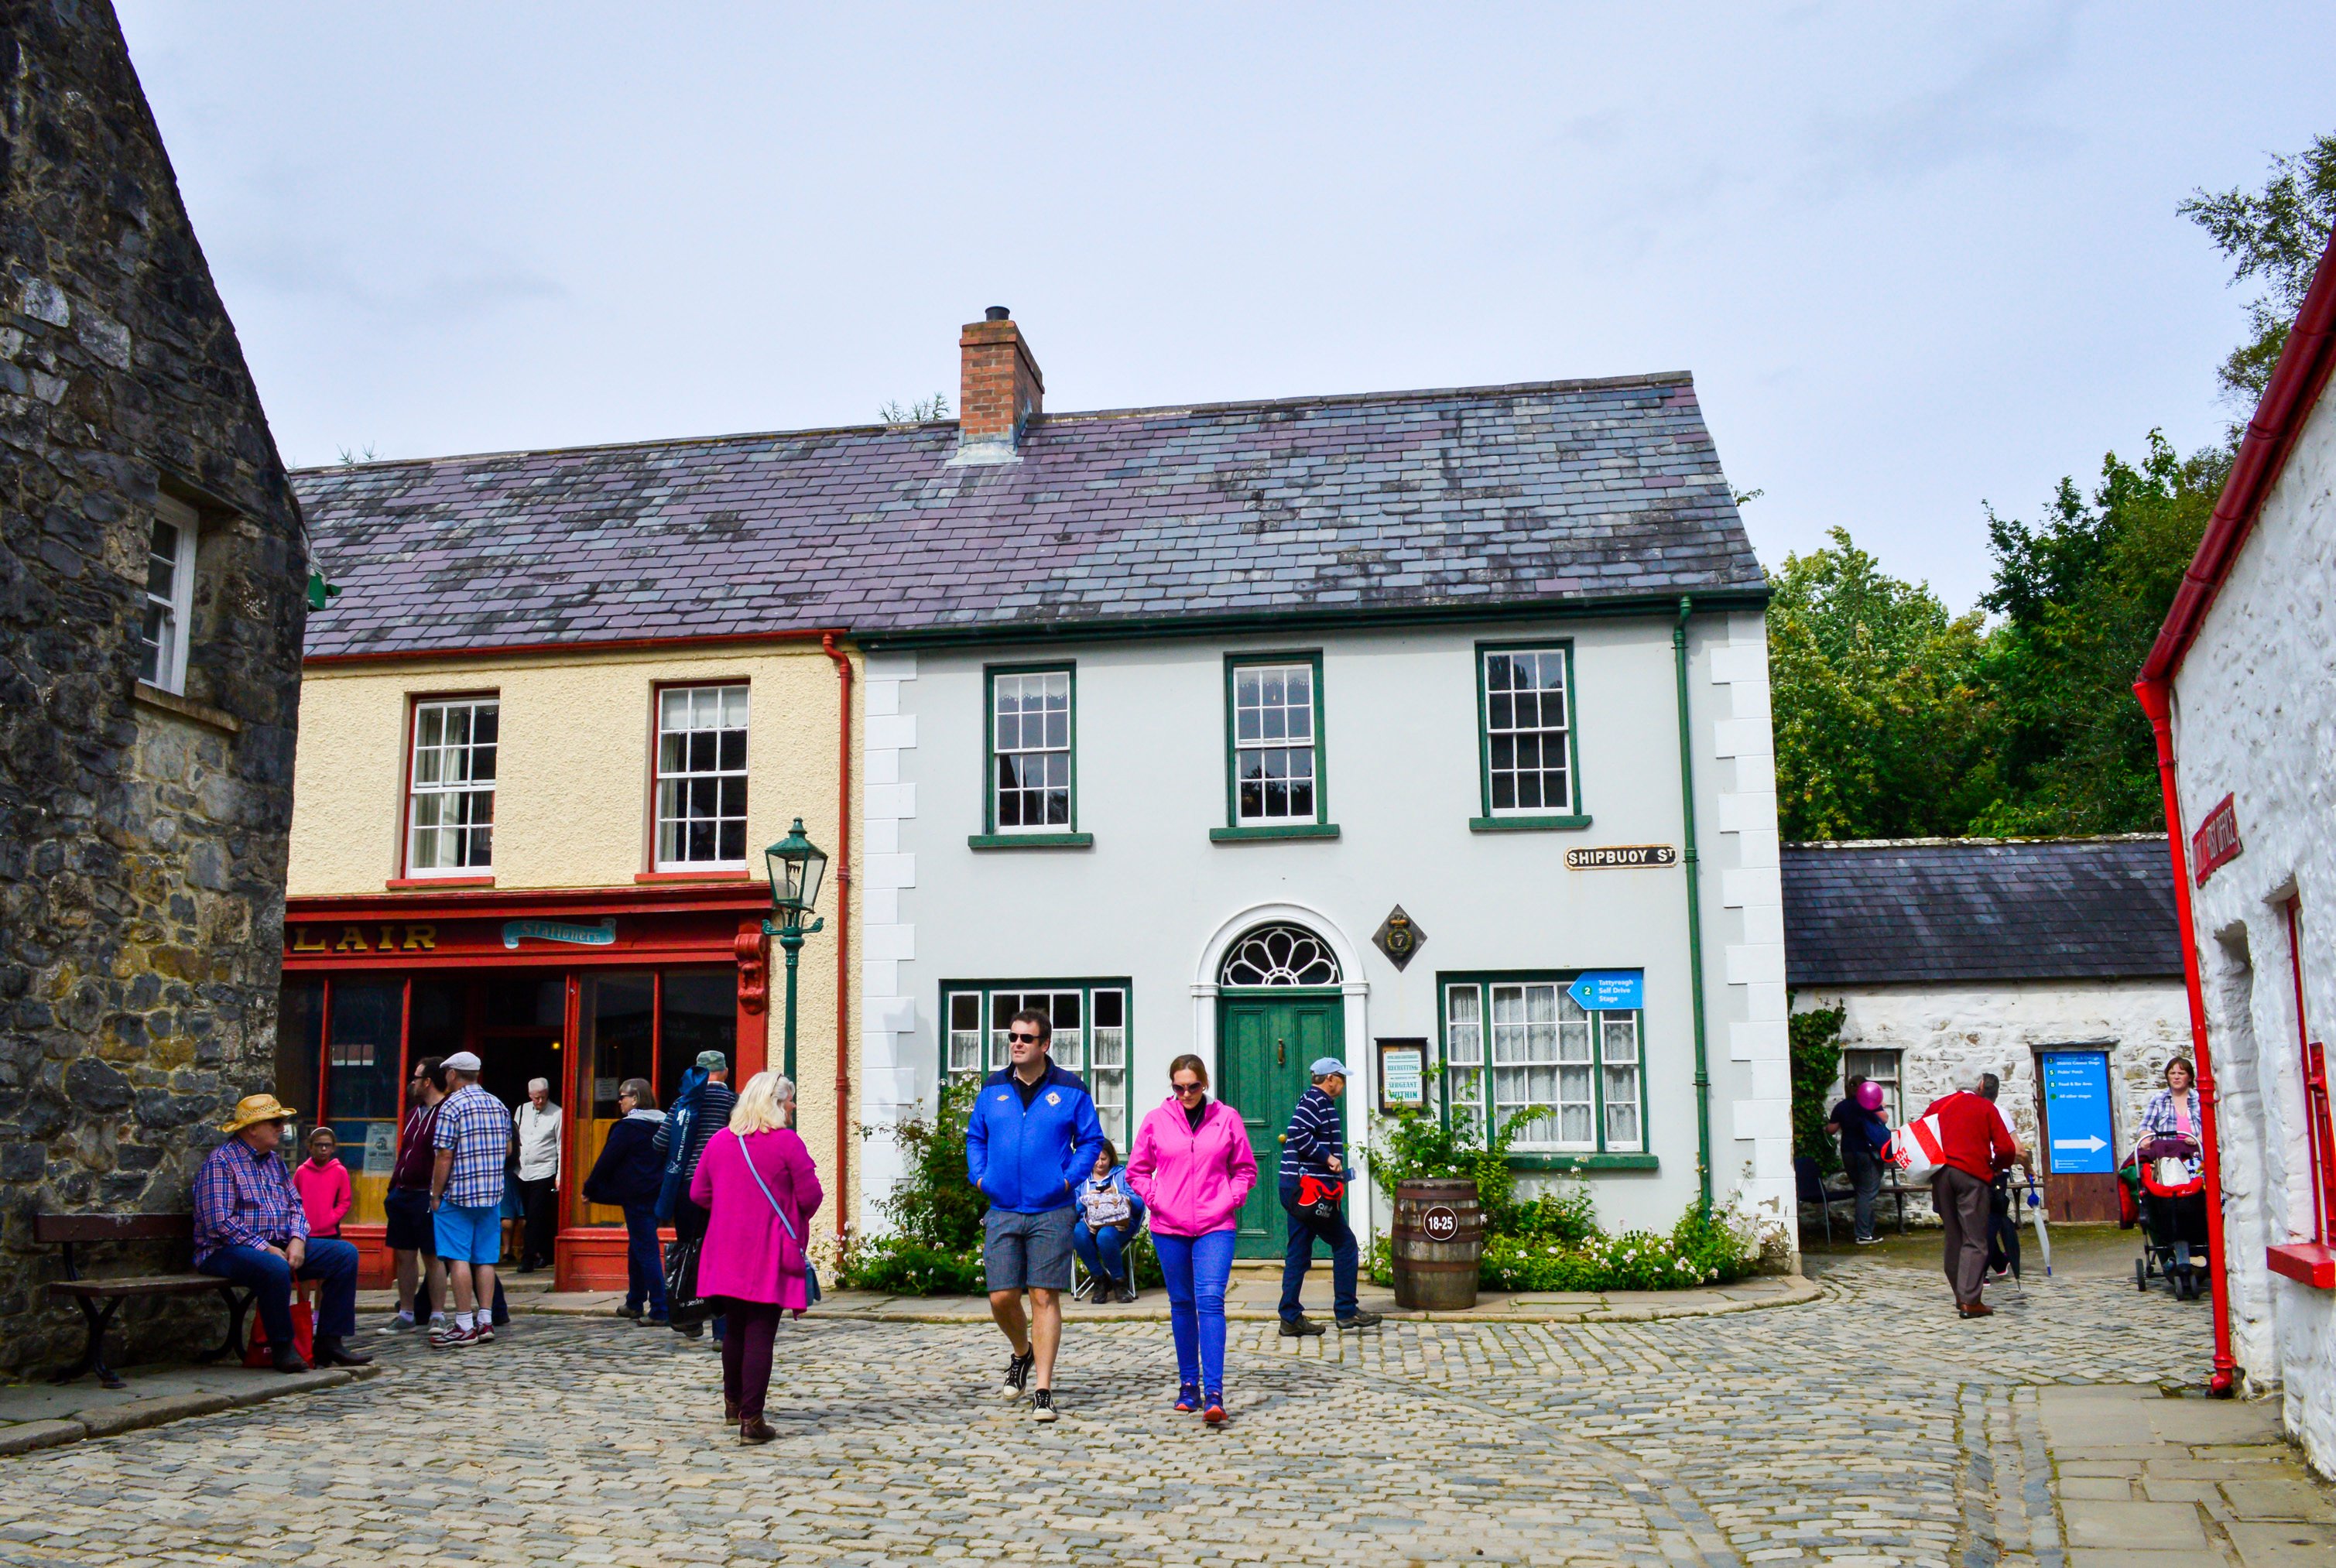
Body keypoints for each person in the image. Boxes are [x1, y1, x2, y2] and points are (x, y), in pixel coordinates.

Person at [966, 1007, 1105, 1423]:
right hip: (1003, 1207)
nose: (1017, 1044)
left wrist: (1067, 1182)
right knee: (1001, 1297)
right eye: (1012, 1037)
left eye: (1026, 1038)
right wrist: (979, 1178)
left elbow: (1092, 1141)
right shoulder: (993, 1088)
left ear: (1045, 1044)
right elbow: (976, 1136)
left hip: (1051, 1210)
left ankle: (1043, 1388)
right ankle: (1021, 1353)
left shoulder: (1071, 1088)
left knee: (1044, 1296)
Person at [193, 1094, 371, 1372]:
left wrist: (298, 1240)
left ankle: (329, 1341)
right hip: (223, 1250)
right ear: (253, 1128)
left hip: (277, 1244)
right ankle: (282, 1347)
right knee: (274, 1267)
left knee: (344, 1255)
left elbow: (295, 1205)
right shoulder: (222, 1163)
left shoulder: (273, 1161)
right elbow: (218, 1222)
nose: (281, 1128)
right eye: (276, 1122)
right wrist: (263, 1246)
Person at [690, 1071, 823, 1444]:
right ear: (777, 1104)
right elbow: (811, 1196)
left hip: (726, 1248)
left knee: (735, 1328)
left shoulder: (719, 1142)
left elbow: (699, 1193)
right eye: (790, 1100)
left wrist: (733, 1209)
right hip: (770, 1249)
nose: (794, 1106)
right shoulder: (787, 1144)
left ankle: (733, 1405)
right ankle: (753, 1419)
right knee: (761, 1331)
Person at [1126, 1054, 1255, 1425]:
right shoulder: (1156, 1120)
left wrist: (1231, 1197)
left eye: (1193, 1086)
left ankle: (1214, 1393)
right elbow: (1137, 1172)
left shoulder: (1227, 1118)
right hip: (1169, 1226)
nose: (1186, 1093)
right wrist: (1155, 1198)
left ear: (1205, 1084)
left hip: (1216, 1224)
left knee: (1211, 1300)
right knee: (1182, 1303)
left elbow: (1245, 1168)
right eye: (1179, 1087)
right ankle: (1188, 1386)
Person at [1278, 1058, 1382, 1336]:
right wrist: (1328, 1158)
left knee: (1299, 1252)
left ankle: (1290, 1317)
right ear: (1330, 1079)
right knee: (1345, 1245)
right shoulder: (1315, 1101)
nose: (1344, 1084)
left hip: (1302, 1189)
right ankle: (1346, 1312)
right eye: (1342, 1078)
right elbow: (1297, 1133)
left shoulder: (1317, 1101)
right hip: (1309, 1192)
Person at [1917, 1061, 2024, 1318]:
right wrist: (1997, 1167)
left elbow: (1921, 1139)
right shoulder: (1985, 1107)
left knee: (1953, 1237)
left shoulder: (1937, 1106)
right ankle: (1970, 1300)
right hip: (1972, 1175)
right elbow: (2007, 1148)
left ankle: (1960, 1293)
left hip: (1942, 1176)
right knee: (1975, 1238)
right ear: (1979, 1085)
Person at [428, 1051, 509, 1347]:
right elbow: (510, 1149)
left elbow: (444, 1154)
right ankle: (485, 1320)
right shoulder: (497, 1104)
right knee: (485, 1259)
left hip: (459, 1193)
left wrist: (436, 1193)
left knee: (457, 1257)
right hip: (491, 1194)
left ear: (452, 1074)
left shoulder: (453, 1106)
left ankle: (464, 1322)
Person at [656, 1050, 738, 1341]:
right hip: (723, 1189)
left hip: (687, 1189)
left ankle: (690, 1317)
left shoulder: (683, 1102)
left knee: (690, 1252)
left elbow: (661, 1142)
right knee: (723, 1256)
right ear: (725, 1073)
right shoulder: (734, 1103)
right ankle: (722, 1332)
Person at [584, 1077, 669, 1324]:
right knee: (639, 1247)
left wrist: (591, 1187)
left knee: (647, 1250)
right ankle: (635, 1301)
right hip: (657, 1193)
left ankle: (660, 1308)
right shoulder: (664, 1123)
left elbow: (607, 1160)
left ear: (636, 1099)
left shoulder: (628, 1128)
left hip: (636, 1195)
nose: (619, 1101)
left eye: (623, 1096)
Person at [382, 1056, 447, 1333]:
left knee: (432, 1256)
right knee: (404, 1256)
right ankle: (406, 1313)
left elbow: (445, 1155)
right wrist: (393, 1189)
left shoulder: (445, 1111)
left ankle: (437, 1314)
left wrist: (438, 1193)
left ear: (428, 1081)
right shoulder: (413, 1113)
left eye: (417, 1078)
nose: (413, 1083)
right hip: (403, 1193)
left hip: (427, 1195)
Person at [2137, 1056, 2211, 1255]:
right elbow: (2146, 1126)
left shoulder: (2198, 1098)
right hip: (2166, 1152)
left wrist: (2198, 1139)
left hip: (2193, 1151)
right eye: (2172, 1073)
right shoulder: (2159, 1099)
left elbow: (2211, 1124)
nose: (2176, 1077)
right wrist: (2145, 1137)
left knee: (2199, 1183)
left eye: (2181, 1073)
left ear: (2189, 1077)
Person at [1072, 1138, 1145, 1303]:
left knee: (1105, 1236)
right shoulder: (1082, 1178)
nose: (1099, 1163)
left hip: (1119, 1223)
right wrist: (1085, 1200)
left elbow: (1140, 1204)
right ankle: (1100, 1280)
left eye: (1103, 1159)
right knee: (1077, 1232)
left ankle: (1120, 1283)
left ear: (1111, 1158)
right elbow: (1072, 1210)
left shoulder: (1122, 1174)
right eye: (1096, 1159)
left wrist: (1118, 1194)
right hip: (1090, 1223)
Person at [1823, 1076, 1890, 1244]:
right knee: (1867, 1192)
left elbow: (1831, 1130)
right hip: (1866, 1151)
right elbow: (1884, 1119)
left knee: (1861, 1191)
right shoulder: (1869, 1104)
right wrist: (1880, 1106)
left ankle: (1867, 1229)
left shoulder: (1842, 1106)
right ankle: (1862, 1234)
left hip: (1848, 1152)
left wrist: (1824, 1126)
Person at [513, 1077, 561, 1274]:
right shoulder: (522, 1110)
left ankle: (528, 1258)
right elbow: (515, 1136)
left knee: (535, 1215)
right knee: (532, 1215)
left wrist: (559, 1175)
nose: (539, 1102)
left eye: (542, 1097)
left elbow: (560, 1145)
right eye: (535, 1098)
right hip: (522, 1171)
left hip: (544, 1170)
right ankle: (546, 1252)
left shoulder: (557, 1113)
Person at [293, 1126, 352, 1240]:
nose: (323, 1149)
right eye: (319, 1145)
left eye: (327, 1145)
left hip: (330, 1232)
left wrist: (331, 1218)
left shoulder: (340, 1171)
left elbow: (345, 1201)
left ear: (333, 1148)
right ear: (311, 1147)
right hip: (304, 1231)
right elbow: (293, 1200)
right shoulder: (302, 1171)